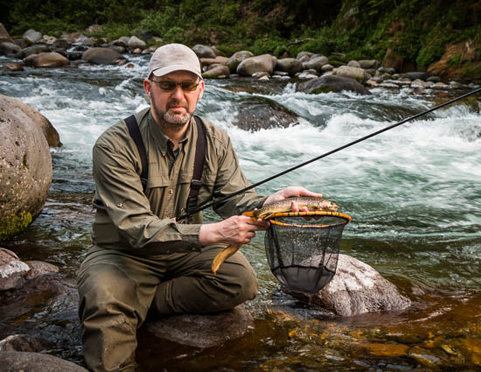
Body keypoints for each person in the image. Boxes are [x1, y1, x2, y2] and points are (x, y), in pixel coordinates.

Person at [77, 43, 323, 372]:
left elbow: (238, 200)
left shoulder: (214, 140)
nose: (178, 95)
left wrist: (271, 204)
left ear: (200, 90)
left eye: (187, 86)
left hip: (183, 252)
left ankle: (142, 302)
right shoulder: (115, 145)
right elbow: (136, 229)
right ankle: (123, 306)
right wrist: (214, 232)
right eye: (168, 85)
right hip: (122, 254)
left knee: (240, 281)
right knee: (105, 302)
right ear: (149, 88)